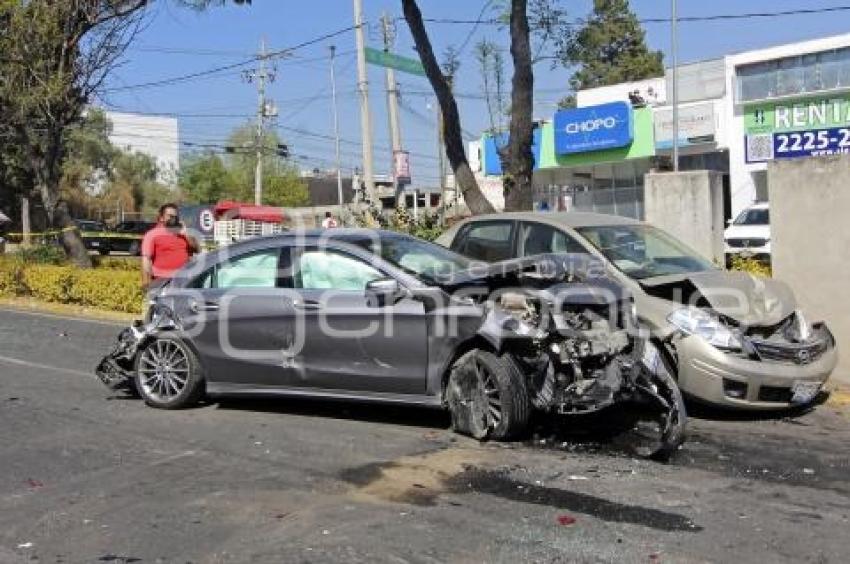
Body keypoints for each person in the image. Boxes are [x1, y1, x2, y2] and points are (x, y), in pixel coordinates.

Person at [141, 203, 200, 288]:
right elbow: (146, 260)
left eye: (175, 216)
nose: (173, 219)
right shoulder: (152, 234)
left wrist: (186, 233)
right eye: (170, 216)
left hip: (184, 280)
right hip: (163, 282)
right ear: (161, 218)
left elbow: (196, 249)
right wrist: (146, 284)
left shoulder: (182, 233)